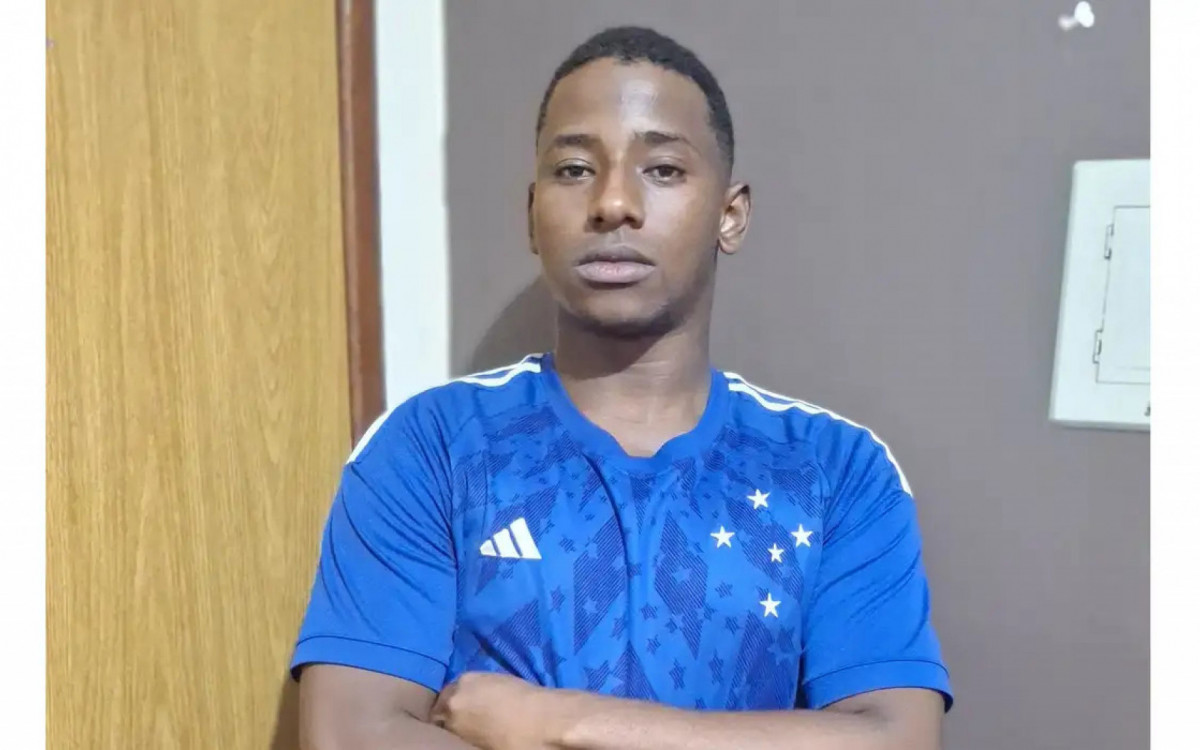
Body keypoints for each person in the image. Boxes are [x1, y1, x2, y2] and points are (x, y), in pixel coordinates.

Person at [293, 25, 952, 750]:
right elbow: (350, 735)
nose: (612, 203)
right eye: (575, 169)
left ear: (730, 215)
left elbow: (895, 738)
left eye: (662, 169)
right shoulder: (429, 447)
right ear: (532, 214)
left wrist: (557, 725)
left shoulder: (835, 469)